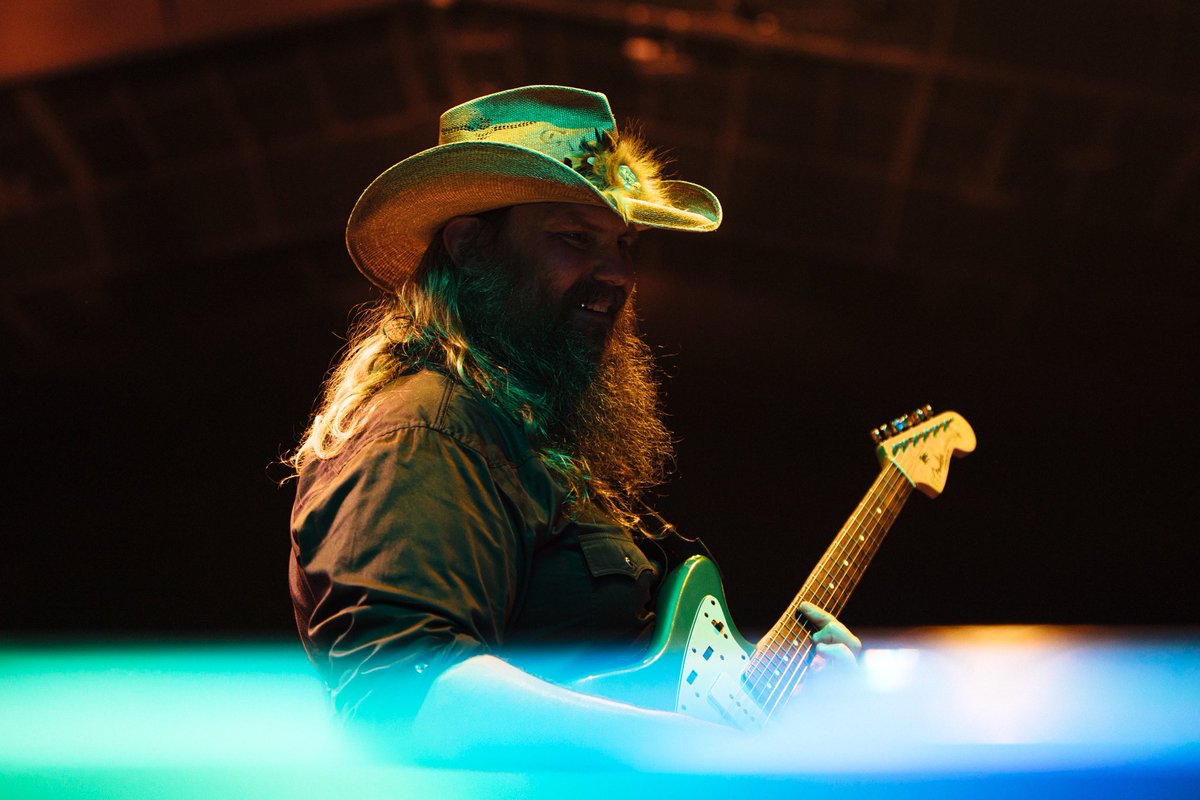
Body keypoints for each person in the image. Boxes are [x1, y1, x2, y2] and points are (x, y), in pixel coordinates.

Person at [287, 85, 860, 763]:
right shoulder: (424, 430)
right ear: (471, 246)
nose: (617, 273)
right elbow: (400, 692)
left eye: (623, 244)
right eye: (574, 238)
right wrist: (677, 745)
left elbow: (623, 682)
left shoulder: (522, 439)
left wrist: (767, 698)